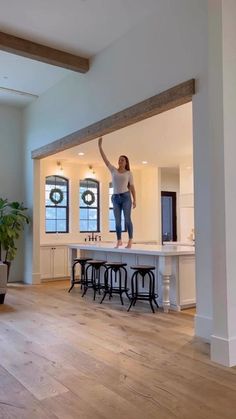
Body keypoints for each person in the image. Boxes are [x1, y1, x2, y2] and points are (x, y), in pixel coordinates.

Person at [98, 137, 136, 248]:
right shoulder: (113, 170)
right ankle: (119, 240)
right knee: (117, 221)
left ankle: (130, 240)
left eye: (122, 160)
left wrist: (135, 200)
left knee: (127, 218)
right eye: (119, 159)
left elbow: (132, 187)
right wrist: (100, 147)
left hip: (126, 197)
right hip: (115, 197)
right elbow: (105, 160)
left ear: (126, 162)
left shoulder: (129, 173)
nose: (120, 161)